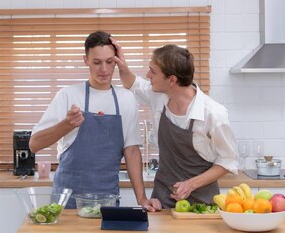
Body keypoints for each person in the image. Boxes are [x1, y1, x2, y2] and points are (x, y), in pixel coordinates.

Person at [29, 31, 153, 210]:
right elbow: (34, 144)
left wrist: (141, 199)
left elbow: (131, 151)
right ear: (86, 60)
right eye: (96, 62)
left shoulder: (127, 99)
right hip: (67, 198)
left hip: (107, 199)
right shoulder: (68, 95)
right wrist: (67, 124)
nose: (104, 69)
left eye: (109, 62)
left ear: (117, 61)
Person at [111, 40, 238, 210]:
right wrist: (122, 65)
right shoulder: (158, 96)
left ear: (171, 80)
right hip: (162, 200)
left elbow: (228, 161)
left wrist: (191, 184)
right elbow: (132, 84)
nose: (148, 76)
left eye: (153, 72)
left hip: (202, 204)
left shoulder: (213, 114)